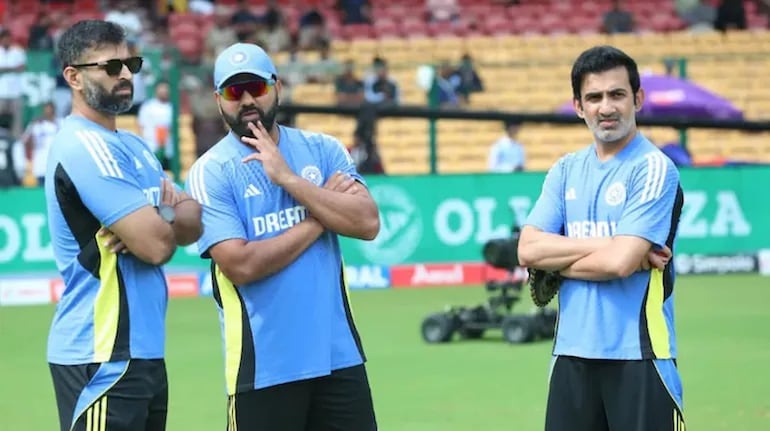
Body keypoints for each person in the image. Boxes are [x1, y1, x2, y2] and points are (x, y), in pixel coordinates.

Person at [185, 42, 380, 431]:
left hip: (339, 359)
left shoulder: (323, 149)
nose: (246, 100)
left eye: (256, 88)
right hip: (263, 369)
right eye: (233, 91)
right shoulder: (211, 171)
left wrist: (288, 179)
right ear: (218, 101)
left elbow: (367, 222)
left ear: (277, 88)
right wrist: (320, 218)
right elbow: (241, 264)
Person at [44, 20, 202, 431]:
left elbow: (193, 221)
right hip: (100, 353)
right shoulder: (83, 146)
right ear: (73, 77)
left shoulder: (132, 145)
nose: (126, 75)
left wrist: (160, 218)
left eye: (131, 64)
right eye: (111, 66)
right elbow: (157, 246)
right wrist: (160, 219)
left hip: (142, 352)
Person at [517, 45, 686, 431]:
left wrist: (556, 262)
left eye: (617, 94)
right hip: (570, 356)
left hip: (640, 355)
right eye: (594, 97)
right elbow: (527, 249)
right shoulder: (564, 170)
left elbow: (619, 263)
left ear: (637, 99)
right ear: (579, 106)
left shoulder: (654, 168)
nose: (606, 107)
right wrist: (615, 242)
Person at [22, 101, 61, 186]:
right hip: (41, 165)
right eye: (46, 110)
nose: (48, 112)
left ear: (54, 110)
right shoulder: (36, 125)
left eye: (50, 110)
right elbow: (25, 142)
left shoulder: (61, 123)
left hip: (57, 164)